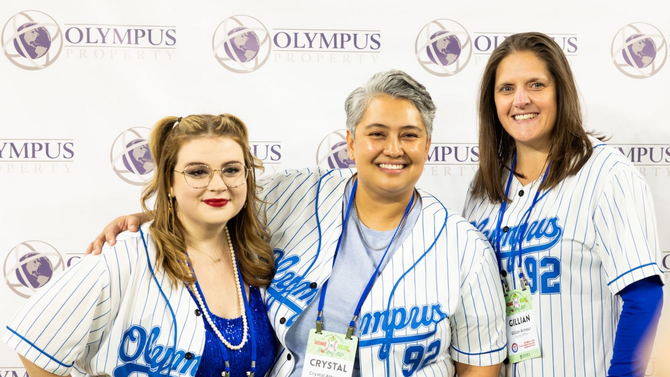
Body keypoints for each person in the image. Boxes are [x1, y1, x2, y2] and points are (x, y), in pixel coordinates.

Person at [86, 70, 507, 376]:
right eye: (377, 133)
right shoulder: (294, 194)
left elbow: (481, 365)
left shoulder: (463, 246)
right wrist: (151, 216)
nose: (393, 149)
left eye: (409, 135)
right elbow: (219, 198)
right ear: (350, 142)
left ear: (428, 144)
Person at [3, 114, 277, 377]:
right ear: (169, 183)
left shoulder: (257, 252)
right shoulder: (122, 255)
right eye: (197, 172)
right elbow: (34, 341)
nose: (218, 184)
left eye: (231, 170)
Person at [462, 32, 664, 377]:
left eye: (536, 85)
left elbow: (642, 298)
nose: (520, 99)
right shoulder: (483, 189)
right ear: (492, 102)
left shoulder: (606, 174)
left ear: (560, 91)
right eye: (506, 88)